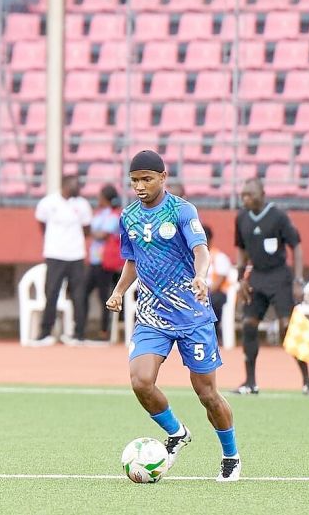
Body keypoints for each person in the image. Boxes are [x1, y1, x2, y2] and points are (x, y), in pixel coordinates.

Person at [106, 150, 241, 482]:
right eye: (134, 180)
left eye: (146, 179)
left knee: (207, 393)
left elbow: (201, 250)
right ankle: (177, 432)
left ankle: (230, 455)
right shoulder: (129, 216)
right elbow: (133, 259)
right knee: (140, 381)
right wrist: (120, 290)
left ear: (162, 178)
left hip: (192, 316)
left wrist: (201, 276)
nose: (139, 186)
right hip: (152, 316)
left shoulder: (182, 210)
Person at [232, 178, 309, 396]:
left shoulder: (278, 216)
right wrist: (240, 278)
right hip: (256, 277)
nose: (246, 199)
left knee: (288, 327)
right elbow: (240, 249)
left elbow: (296, 246)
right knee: (249, 325)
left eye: (250, 195)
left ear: (262, 194)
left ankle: (307, 381)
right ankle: (250, 382)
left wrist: (298, 280)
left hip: (279, 277)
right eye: (243, 195)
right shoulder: (241, 218)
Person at [31, 174, 92, 346]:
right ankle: (45, 333)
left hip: (76, 255)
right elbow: (42, 224)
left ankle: (79, 334)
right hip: (55, 254)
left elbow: (87, 229)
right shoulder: (48, 203)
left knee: (78, 295)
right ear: (65, 185)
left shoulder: (82, 205)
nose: (78, 187)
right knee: (51, 293)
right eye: (74, 184)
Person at [83, 184, 121, 340]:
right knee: (83, 292)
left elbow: (102, 235)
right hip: (94, 260)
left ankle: (105, 331)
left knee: (104, 296)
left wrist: (89, 231)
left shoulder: (114, 215)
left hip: (105, 261)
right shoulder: (100, 214)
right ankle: (81, 327)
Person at [204, 225, 233, 340]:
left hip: (215, 292)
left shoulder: (219, 257)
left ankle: (214, 333)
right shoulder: (191, 257)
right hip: (196, 293)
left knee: (213, 299)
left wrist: (204, 293)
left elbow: (219, 281)